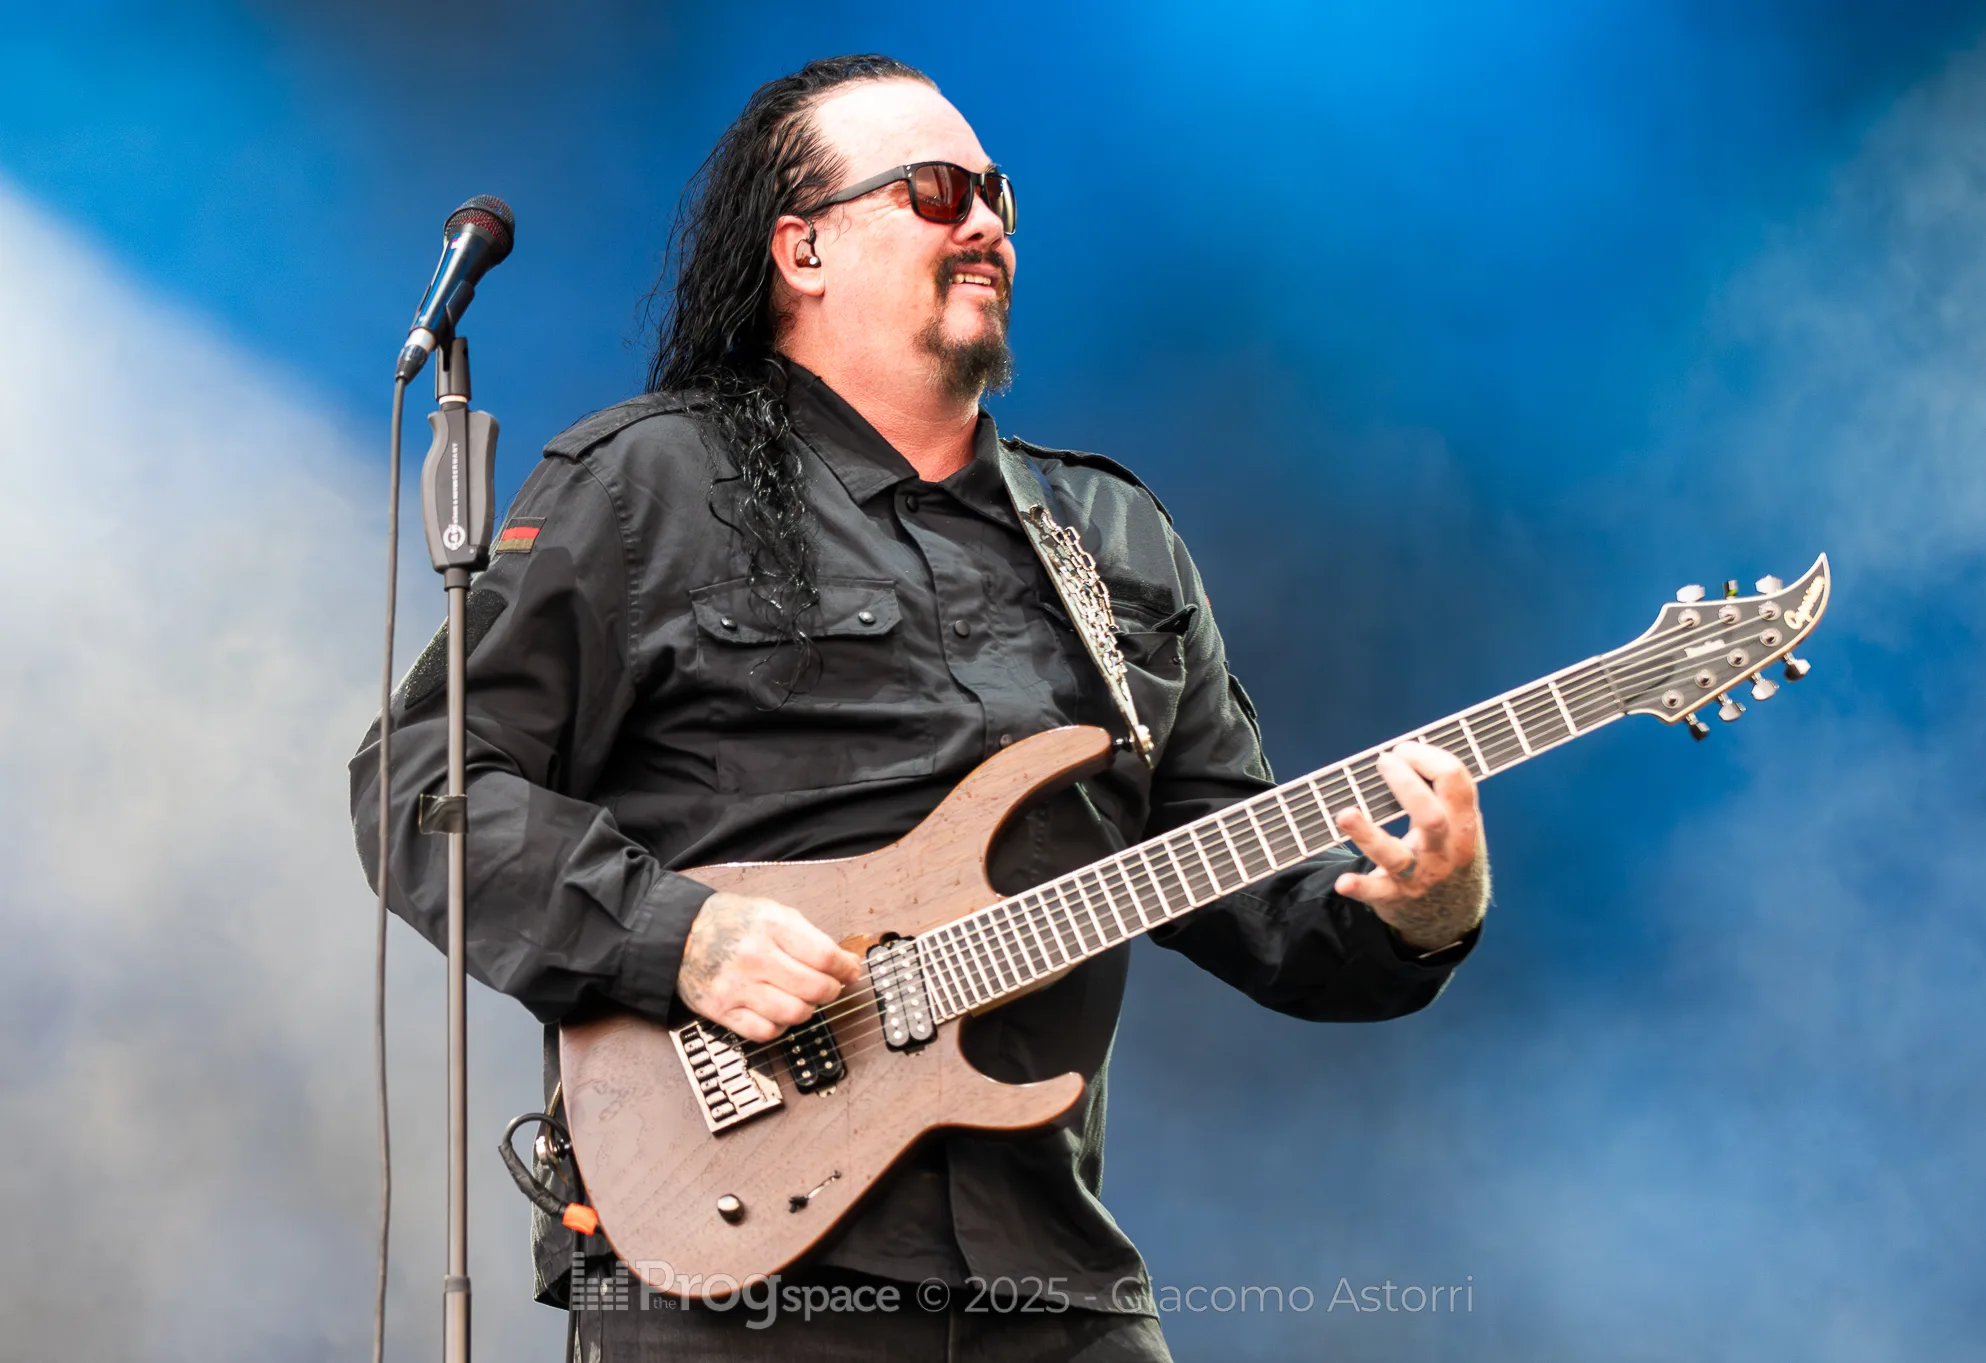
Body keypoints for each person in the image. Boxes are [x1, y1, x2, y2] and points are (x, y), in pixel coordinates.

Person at [350, 53, 1488, 1363]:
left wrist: (1423, 909)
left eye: (999, 194)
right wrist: (682, 936)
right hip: (731, 1271)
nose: (986, 220)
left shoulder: (1112, 537)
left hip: (1049, 1284)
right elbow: (424, 783)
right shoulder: (644, 484)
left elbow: (1253, 893)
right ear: (804, 250)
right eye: (939, 190)